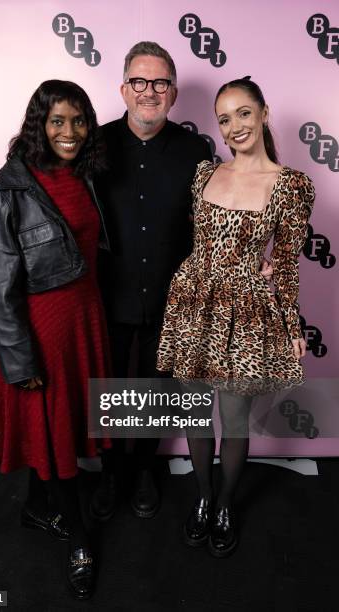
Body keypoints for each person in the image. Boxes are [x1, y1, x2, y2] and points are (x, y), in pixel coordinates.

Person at [91, 44, 271, 522]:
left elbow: (216, 221)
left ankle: (147, 469)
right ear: (124, 88)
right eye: (139, 82)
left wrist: (255, 263)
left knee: (161, 393)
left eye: (160, 83)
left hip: (177, 301)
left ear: (172, 93)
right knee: (109, 388)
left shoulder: (197, 151)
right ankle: (112, 473)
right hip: (108, 295)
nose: (149, 92)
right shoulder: (96, 145)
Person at [157, 76, 315, 556]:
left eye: (243, 113)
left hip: (245, 313)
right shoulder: (205, 172)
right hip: (191, 302)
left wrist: (292, 325)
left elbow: (285, 264)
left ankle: (225, 503)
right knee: (195, 416)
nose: (234, 126)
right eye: (224, 118)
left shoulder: (291, 186)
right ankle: (203, 499)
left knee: (234, 418)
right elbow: (201, 239)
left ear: (264, 113)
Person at [0, 80, 110, 599]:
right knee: (52, 427)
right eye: (57, 121)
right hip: (40, 331)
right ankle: (78, 537)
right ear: (38, 123)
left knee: (55, 429)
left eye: (78, 120)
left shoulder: (85, 174)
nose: (70, 132)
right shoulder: (9, 190)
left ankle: (37, 509)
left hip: (83, 318)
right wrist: (19, 358)